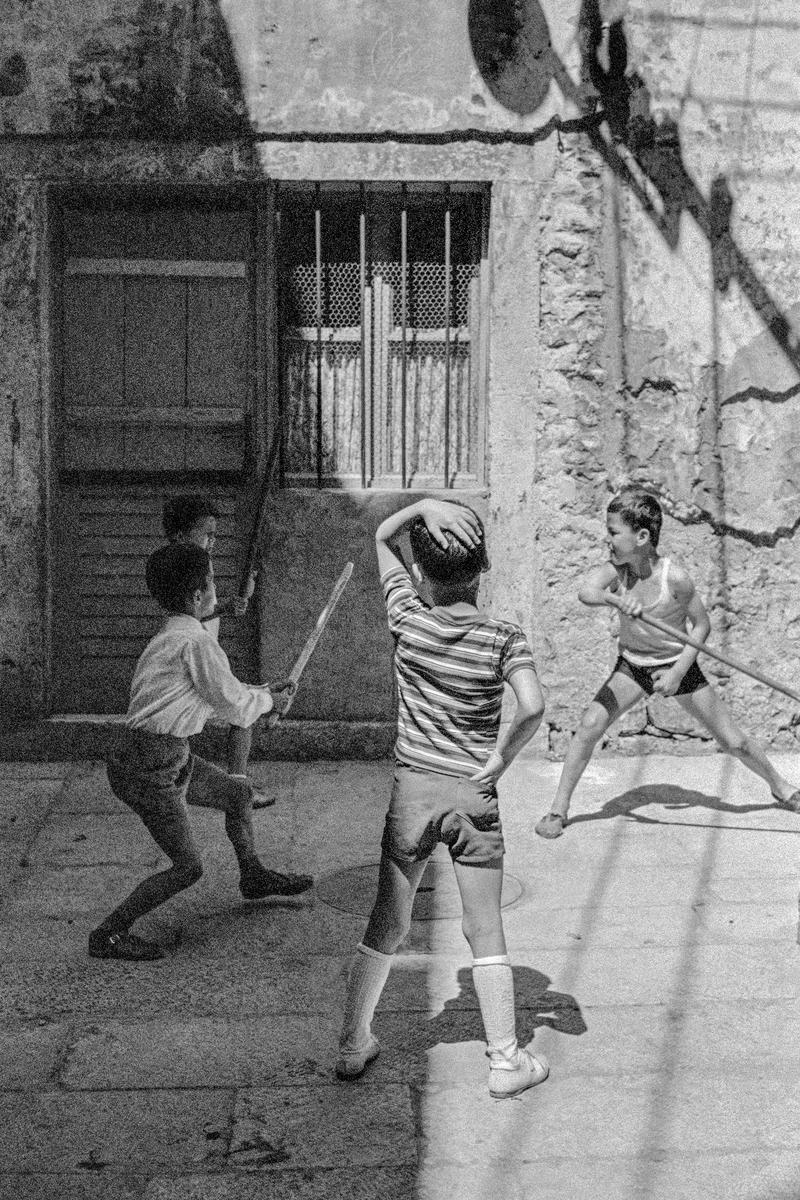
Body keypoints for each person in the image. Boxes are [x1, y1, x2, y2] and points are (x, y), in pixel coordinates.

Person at [336, 498, 550, 1100]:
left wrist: (422, 507)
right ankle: (506, 1060)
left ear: (422, 574)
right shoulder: (503, 638)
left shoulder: (407, 617)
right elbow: (532, 706)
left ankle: (354, 1044)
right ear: (483, 566)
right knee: (485, 928)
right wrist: (499, 760)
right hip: (471, 794)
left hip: (413, 791)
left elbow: (382, 538)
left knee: (388, 920)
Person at [88, 542, 312, 962]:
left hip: (157, 755)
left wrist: (263, 693)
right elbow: (230, 703)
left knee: (237, 794)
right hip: (151, 767)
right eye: (212, 583)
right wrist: (268, 703)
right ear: (197, 596)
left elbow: (212, 693)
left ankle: (253, 876)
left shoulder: (174, 635)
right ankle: (108, 933)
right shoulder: (197, 643)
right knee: (187, 868)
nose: (216, 590)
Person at [535, 488, 800, 839]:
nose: (608, 538)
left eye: (614, 532)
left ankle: (781, 787)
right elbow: (587, 592)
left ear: (642, 537)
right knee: (590, 724)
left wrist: (677, 673)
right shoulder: (618, 569)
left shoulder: (674, 578)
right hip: (632, 666)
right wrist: (615, 600)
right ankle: (558, 810)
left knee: (733, 741)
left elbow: (701, 626)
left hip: (677, 663)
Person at [162, 496, 272, 809]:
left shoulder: (198, 562)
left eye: (215, 534)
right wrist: (222, 607)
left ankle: (236, 786)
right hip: (192, 654)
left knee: (240, 713)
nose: (213, 541)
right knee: (239, 709)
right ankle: (234, 790)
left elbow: (204, 609)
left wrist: (234, 602)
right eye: (207, 534)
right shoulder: (178, 567)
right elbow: (188, 613)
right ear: (182, 536)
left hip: (201, 650)